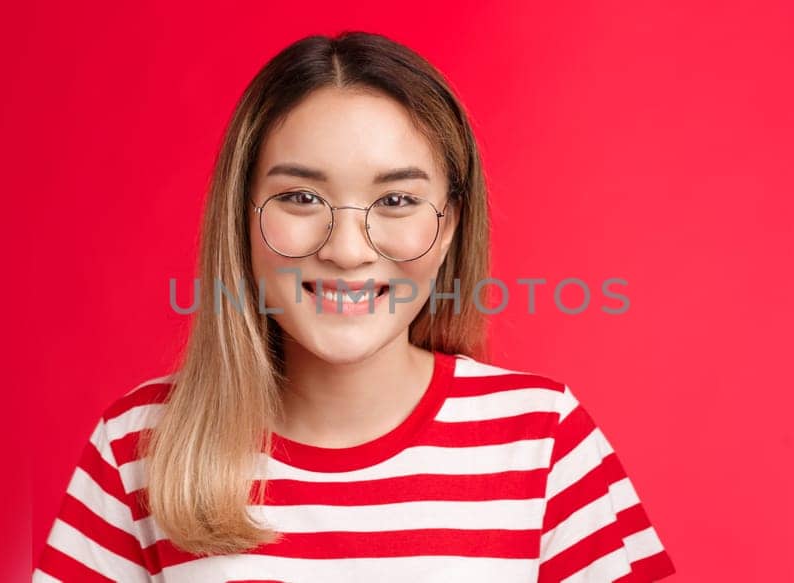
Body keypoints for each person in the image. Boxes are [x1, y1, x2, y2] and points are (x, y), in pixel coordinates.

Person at [34, 31, 676, 582]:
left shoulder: (544, 443)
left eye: (396, 201)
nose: (346, 250)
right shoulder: (138, 448)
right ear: (242, 217)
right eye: (301, 198)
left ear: (449, 224)